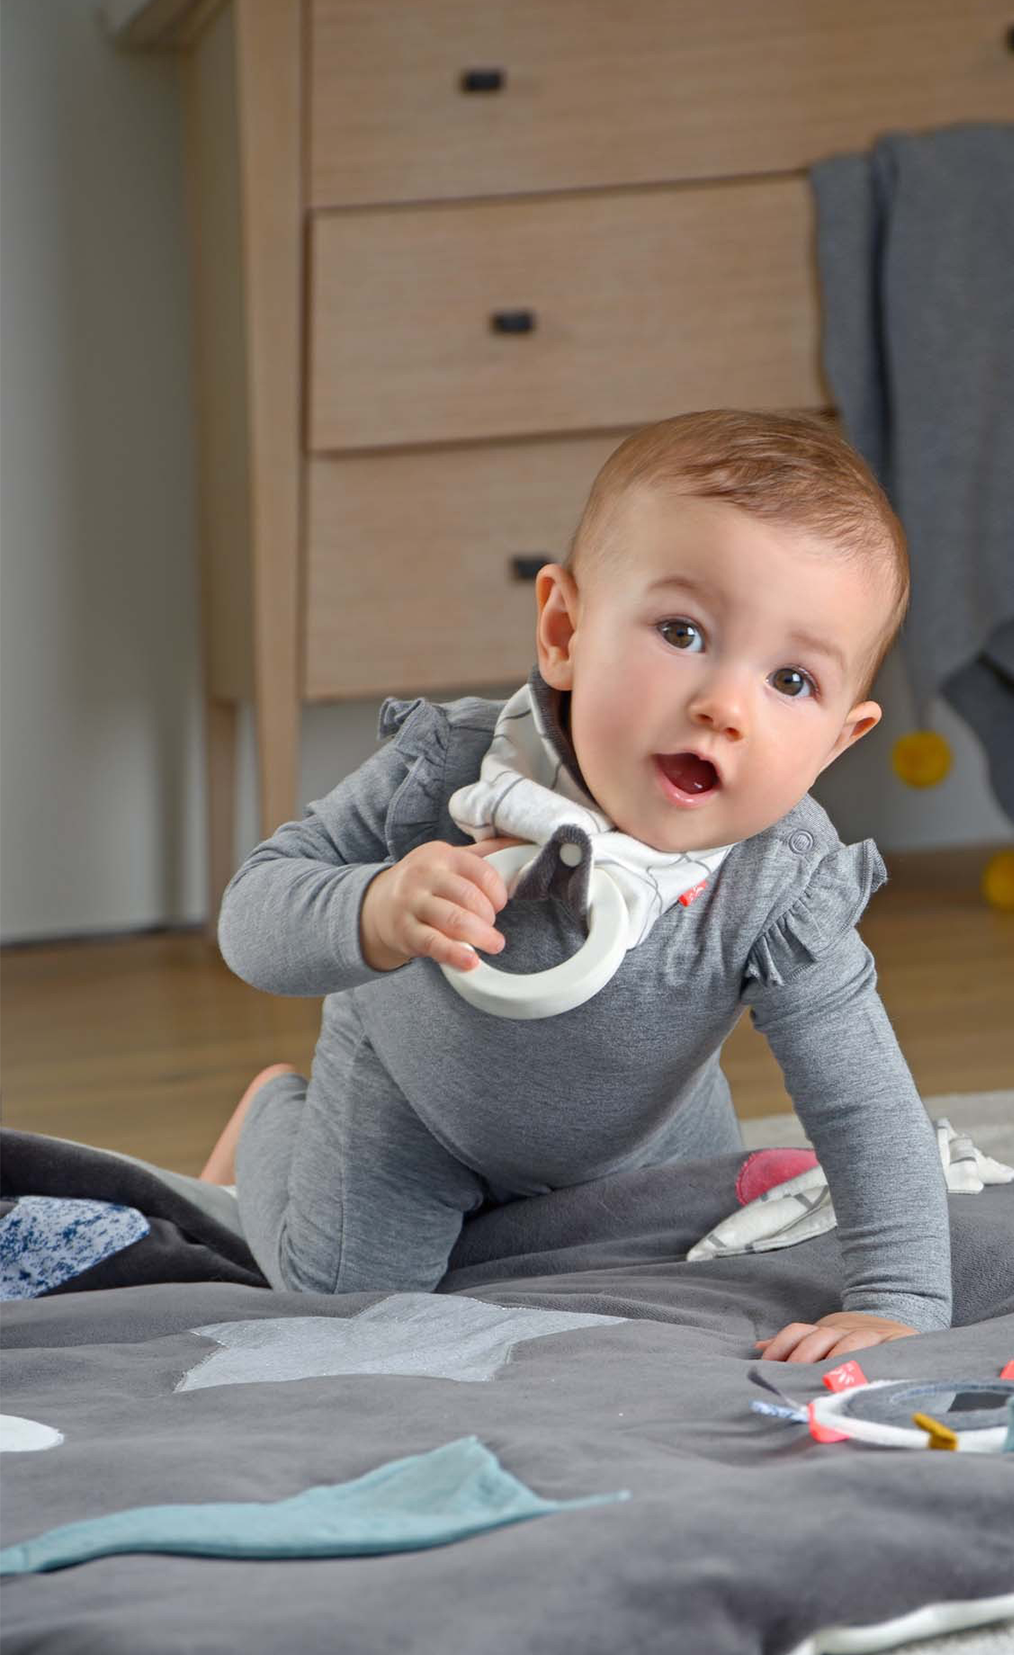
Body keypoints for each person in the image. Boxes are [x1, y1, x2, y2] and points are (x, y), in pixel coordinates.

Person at [202, 409, 951, 1364]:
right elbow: (251, 917)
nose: (724, 706)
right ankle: (275, 1115)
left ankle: (532, 1226)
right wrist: (375, 907)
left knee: (670, 1298)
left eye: (793, 681)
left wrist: (900, 1299)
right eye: (683, 631)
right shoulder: (444, 775)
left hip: (649, 1136)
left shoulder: (781, 881)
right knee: (346, 1303)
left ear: (840, 741)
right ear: (564, 629)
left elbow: (864, 1102)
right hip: (417, 1109)